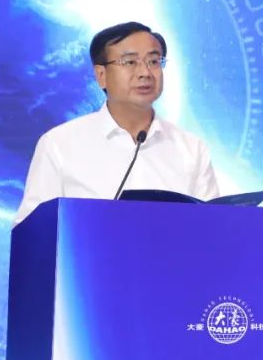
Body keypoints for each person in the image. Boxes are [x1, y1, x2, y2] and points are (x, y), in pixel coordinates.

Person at [14, 21, 219, 224]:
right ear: (101, 75)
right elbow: (31, 230)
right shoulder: (58, 144)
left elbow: (214, 227)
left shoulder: (191, 149)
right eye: (130, 62)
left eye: (154, 61)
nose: (145, 72)